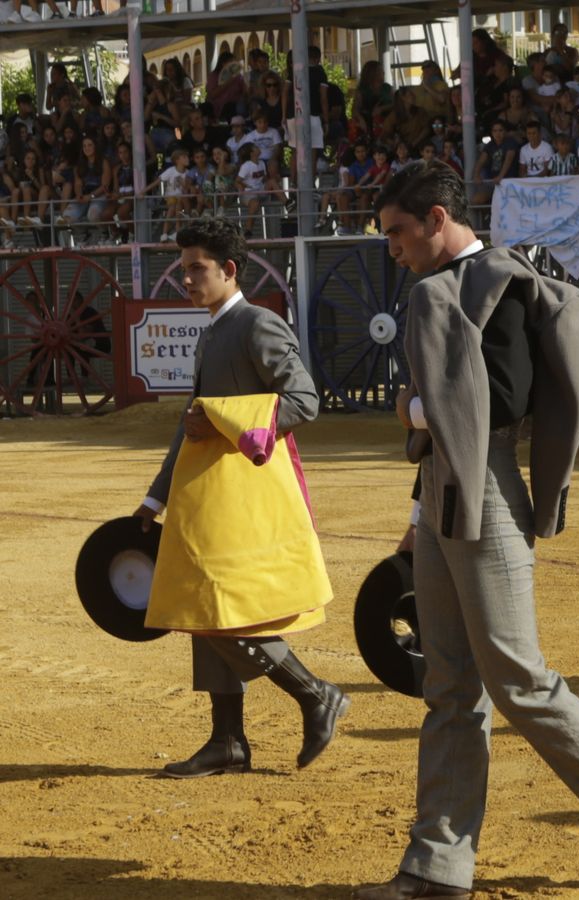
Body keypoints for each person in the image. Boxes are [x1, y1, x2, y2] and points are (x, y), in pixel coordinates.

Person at [357, 159, 579, 899]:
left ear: (437, 219)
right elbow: (452, 430)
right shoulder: (460, 284)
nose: (393, 248)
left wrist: (411, 408)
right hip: (447, 494)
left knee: (519, 680)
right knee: (450, 685)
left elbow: (502, 399)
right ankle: (437, 866)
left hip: (488, 491)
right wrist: (416, 518)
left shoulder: (493, 281)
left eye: (399, 231)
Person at [134, 217, 348, 780]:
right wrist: (155, 499)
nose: (186, 279)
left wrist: (226, 423)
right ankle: (227, 740)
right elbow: (191, 424)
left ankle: (314, 693)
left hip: (247, 501)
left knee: (220, 609)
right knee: (206, 608)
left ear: (229, 269)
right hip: (211, 500)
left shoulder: (257, 324)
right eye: (182, 270)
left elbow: (303, 400)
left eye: (196, 268)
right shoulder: (212, 331)